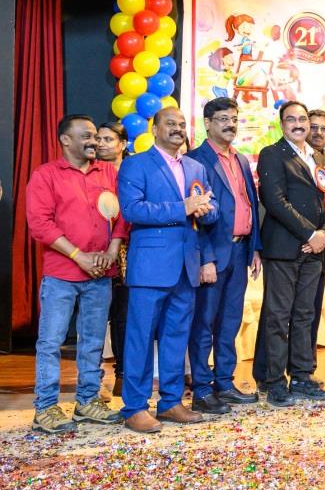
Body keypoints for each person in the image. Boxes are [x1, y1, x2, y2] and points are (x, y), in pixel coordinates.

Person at [118, 108, 218, 433]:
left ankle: (171, 402)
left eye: (181, 124)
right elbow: (132, 209)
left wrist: (206, 209)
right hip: (150, 267)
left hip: (186, 267)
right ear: (155, 128)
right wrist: (183, 208)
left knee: (176, 337)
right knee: (140, 339)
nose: (177, 129)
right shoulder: (136, 164)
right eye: (170, 124)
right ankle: (135, 406)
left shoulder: (195, 167)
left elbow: (209, 208)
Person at [26, 115, 127, 434]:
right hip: (62, 275)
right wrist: (79, 256)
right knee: (51, 341)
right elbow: (40, 224)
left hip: (101, 273)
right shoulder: (45, 175)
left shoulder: (108, 172)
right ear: (65, 140)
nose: (94, 141)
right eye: (86, 135)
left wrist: (111, 251)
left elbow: (122, 217)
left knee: (93, 341)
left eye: (95, 135)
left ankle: (87, 402)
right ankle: (45, 407)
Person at [185, 97, 263, 414]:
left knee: (230, 322)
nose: (230, 125)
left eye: (234, 119)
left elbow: (249, 205)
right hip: (213, 254)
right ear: (207, 123)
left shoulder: (240, 159)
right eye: (222, 119)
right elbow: (195, 217)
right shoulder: (195, 160)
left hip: (240, 250)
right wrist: (204, 258)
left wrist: (255, 247)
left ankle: (225, 383)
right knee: (204, 323)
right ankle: (202, 390)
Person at [255, 100, 325, 406]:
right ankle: (275, 381)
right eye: (292, 119)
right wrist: (309, 234)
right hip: (284, 248)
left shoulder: (316, 157)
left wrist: (323, 233)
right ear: (282, 124)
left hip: (314, 250)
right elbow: (275, 201)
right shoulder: (272, 154)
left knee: (305, 315)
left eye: (302, 119)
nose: (299, 124)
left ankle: (301, 376)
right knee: (278, 317)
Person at [96, 121, 129, 398]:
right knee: (94, 315)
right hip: (93, 250)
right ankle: (93, 379)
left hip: (126, 251)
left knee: (122, 315)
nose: (102, 144)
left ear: (123, 144)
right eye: (99, 139)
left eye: (108, 139)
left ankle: (122, 375)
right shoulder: (90, 171)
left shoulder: (131, 171)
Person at [305, 109, 325, 380]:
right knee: (285, 313)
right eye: (313, 127)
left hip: (322, 246)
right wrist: (309, 235)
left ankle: (307, 369)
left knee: (312, 309)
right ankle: (272, 373)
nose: (318, 133)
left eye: (323, 129)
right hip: (294, 245)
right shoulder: (295, 157)